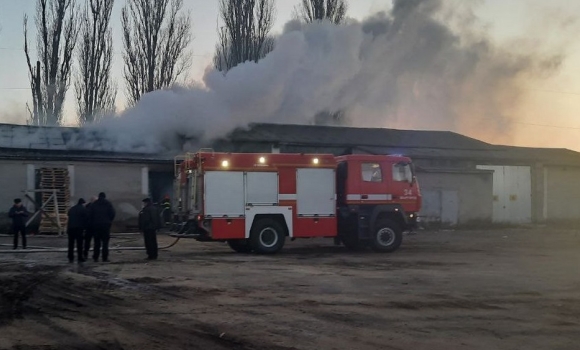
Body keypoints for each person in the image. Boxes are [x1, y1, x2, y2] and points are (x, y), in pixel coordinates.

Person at [88, 192, 115, 262]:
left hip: (96, 225)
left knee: (97, 242)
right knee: (105, 243)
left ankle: (96, 257)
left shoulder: (94, 204)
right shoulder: (108, 204)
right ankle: (104, 258)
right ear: (104, 196)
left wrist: (92, 223)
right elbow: (112, 213)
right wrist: (109, 221)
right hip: (105, 225)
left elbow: (90, 215)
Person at [67, 198, 87, 263]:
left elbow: (68, 215)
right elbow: (86, 219)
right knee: (79, 244)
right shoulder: (83, 209)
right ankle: (80, 257)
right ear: (83, 203)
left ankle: (70, 257)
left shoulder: (72, 209)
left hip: (70, 228)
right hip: (79, 228)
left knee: (71, 244)